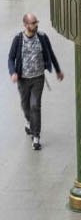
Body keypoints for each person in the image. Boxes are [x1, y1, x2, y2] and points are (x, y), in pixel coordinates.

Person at [7, 13, 62, 150]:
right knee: (25, 106)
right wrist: (13, 72)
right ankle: (28, 121)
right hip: (23, 80)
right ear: (26, 25)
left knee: (35, 106)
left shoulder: (42, 37)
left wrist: (57, 70)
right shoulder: (18, 39)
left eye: (36, 22)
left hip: (38, 78)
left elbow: (50, 53)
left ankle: (36, 137)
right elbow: (10, 58)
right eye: (33, 23)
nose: (36, 25)